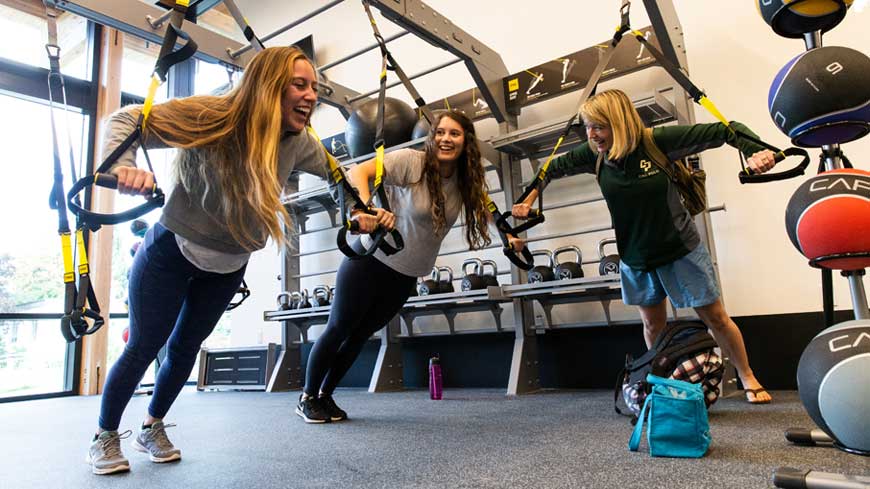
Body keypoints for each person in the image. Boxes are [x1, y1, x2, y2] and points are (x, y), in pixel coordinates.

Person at [87, 46, 331, 475]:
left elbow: (337, 172)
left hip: (227, 264)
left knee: (184, 351)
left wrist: (362, 208)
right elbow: (126, 120)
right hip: (170, 251)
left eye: (315, 87)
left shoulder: (300, 142)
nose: (312, 95)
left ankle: (152, 426)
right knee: (145, 346)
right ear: (269, 85)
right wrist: (125, 165)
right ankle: (104, 436)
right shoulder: (213, 116)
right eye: (300, 84)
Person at [512, 89, 774, 405]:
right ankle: (660, 386)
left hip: (680, 249)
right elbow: (551, 167)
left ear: (619, 122)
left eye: (599, 126)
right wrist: (528, 198)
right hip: (635, 256)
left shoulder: (656, 142)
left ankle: (747, 375)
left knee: (716, 318)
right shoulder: (594, 154)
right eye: (587, 126)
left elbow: (726, 129)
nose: (592, 134)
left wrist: (757, 152)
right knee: (652, 324)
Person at [296, 110, 522, 423]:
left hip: (406, 274)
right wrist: (367, 209)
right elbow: (357, 173)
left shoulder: (465, 181)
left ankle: (326, 396)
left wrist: (507, 236)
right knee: (339, 329)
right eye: (440, 132)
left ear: (466, 141)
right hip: (370, 261)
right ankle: (308, 396)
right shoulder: (411, 161)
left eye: (454, 134)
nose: (445, 139)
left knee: (361, 335)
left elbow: (486, 210)